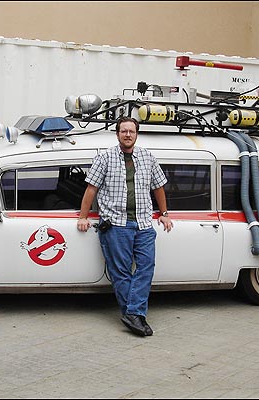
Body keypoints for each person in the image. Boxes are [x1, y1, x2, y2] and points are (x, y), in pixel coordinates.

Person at [77, 116, 173, 337]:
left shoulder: (148, 157)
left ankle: (133, 314)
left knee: (146, 267)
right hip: (115, 223)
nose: (128, 135)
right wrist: (83, 216)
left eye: (131, 131)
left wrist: (165, 214)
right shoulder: (105, 158)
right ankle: (136, 316)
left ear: (137, 134)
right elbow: (91, 189)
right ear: (117, 134)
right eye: (124, 131)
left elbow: (158, 187)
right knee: (120, 271)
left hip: (143, 223)